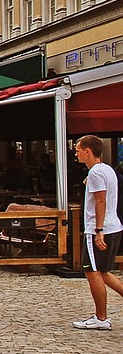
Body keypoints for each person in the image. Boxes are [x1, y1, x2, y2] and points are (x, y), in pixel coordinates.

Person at [73, 135, 123, 330]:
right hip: (114, 225)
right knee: (103, 272)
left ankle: (101, 318)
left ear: (88, 151)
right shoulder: (107, 169)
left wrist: (99, 230)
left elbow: (100, 201)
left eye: (78, 150)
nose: (76, 154)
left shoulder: (95, 173)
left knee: (92, 271)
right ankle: (100, 317)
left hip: (99, 228)